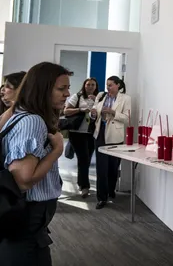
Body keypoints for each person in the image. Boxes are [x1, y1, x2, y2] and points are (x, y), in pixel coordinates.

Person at [0, 62, 69, 266]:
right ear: (43, 89)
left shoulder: (20, 115)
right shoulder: (33, 121)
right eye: (61, 89)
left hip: (25, 217)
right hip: (26, 214)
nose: (67, 94)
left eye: (68, 88)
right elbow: (23, 180)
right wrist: (57, 151)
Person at [91, 75, 131, 210]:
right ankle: (101, 198)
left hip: (115, 135)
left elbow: (127, 118)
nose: (107, 87)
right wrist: (93, 114)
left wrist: (112, 112)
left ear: (118, 85)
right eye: (107, 85)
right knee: (101, 167)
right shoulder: (101, 96)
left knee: (113, 166)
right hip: (100, 133)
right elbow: (94, 112)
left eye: (110, 85)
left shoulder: (125, 99)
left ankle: (110, 190)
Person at [63, 78, 100, 198]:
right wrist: (81, 109)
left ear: (96, 86)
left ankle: (81, 183)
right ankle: (84, 186)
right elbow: (66, 111)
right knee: (83, 158)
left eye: (93, 85)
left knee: (87, 160)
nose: (90, 87)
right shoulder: (77, 96)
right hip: (77, 132)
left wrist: (96, 108)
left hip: (91, 133)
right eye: (88, 84)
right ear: (84, 86)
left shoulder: (99, 98)